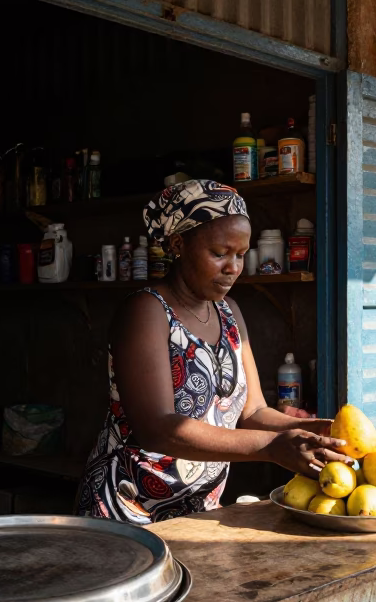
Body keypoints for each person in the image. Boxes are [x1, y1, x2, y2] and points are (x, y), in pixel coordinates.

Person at [76, 179, 347, 523]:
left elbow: (253, 413)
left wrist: (322, 431)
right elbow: (158, 428)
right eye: (219, 254)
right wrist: (271, 448)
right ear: (178, 244)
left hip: (197, 509)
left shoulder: (229, 312)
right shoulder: (147, 311)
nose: (233, 267)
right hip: (127, 508)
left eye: (240, 254)